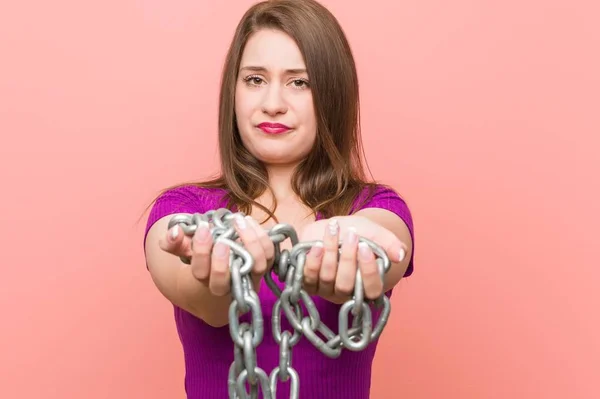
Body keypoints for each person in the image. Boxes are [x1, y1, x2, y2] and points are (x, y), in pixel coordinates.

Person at [142, 0, 415, 397]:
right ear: (233, 90)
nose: (273, 103)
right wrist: (214, 264)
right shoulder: (184, 210)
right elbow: (202, 299)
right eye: (255, 79)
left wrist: (354, 244)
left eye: (299, 82)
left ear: (332, 95)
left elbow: (387, 238)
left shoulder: (373, 207)